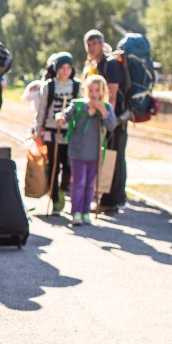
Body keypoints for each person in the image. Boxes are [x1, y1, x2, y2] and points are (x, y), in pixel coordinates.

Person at [56, 74, 117, 225]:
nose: (93, 94)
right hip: (77, 151)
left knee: (90, 185)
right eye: (91, 90)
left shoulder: (106, 108)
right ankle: (76, 212)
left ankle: (85, 211)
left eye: (97, 90)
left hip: (95, 152)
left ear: (102, 92)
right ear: (86, 90)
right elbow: (65, 115)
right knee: (79, 182)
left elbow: (111, 126)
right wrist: (60, 118)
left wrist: (103, 112)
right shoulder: (78, 105)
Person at [83, 29, 127, 213]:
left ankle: (112, 201)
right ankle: (111, 198)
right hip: (107, 118)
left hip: (115, 120)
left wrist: (108, 120)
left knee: (113, 158)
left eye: (95, 43)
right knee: (109, 157)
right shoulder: (97, 65)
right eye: (89, 44)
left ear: (102, 44)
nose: (92, 47)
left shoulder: (111, 65)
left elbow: (112, 96)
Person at [36, 52, 81, 213]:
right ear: (56, 69)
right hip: (51, 132)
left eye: (68, 68)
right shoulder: (49, 86)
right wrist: (39, 130)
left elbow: (79, 109)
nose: (65, 71)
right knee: (54, 166)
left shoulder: (76, 86)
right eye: (62, 68)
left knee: (68, 166)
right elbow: (42, 110)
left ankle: (63, 189)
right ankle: (55, 199)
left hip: (69, 133)